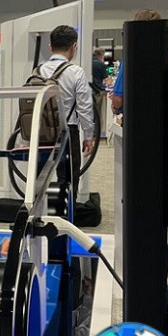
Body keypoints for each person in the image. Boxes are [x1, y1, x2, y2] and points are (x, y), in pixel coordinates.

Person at [40, 25, 95, 205]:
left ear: (50, 47)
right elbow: (85, 108)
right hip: (67, 131)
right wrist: (88, 136)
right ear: (74, 47)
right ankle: (65, 214)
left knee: (42, 175)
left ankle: (42, 213)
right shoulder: (75, 72)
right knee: (68, 176)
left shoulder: (38, 71)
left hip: (41, 132)